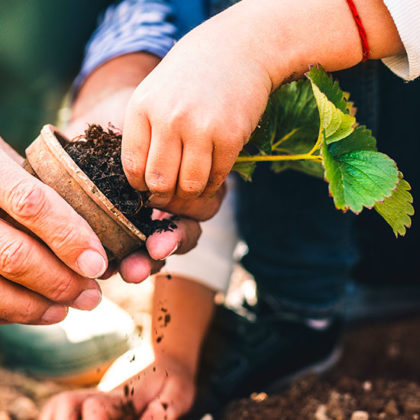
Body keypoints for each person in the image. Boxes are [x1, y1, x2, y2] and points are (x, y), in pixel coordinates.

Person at [40, 0, 420, 418]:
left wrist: (261, 39)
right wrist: (174, 355)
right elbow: (201, 108)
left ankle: (298, 301)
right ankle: (296, 316)